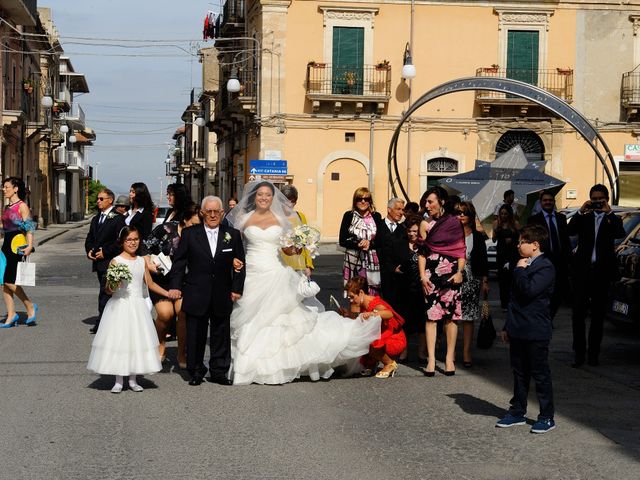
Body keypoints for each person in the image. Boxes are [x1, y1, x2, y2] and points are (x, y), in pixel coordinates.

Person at [226, 180, 382, 385]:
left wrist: (296, 248)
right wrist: (234, 260)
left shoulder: (281, 220)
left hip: (275, 271)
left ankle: (280, 366)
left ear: (273, 199)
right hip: (253, 272)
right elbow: (232, 244)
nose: (264, 198)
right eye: (260, 195)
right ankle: (252, 367)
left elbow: (286, 248)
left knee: (282, 319)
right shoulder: (244, 219)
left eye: (268, 195)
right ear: (254, 197)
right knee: (253, 319)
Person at [167, 196, 246, 386]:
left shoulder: (232, 234)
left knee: (221, 334)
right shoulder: (189, 234)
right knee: (195, 334)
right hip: (196, 291)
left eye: (216, 212)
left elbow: (241, 264)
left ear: (222, 213)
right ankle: (195, 371)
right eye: (208, 212)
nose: (212, 215)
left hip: (222, 292)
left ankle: (219, 372)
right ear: (202, 213)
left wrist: (236, 288)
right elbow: (179, 263)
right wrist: (176, 286)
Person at [87, 226, 166, 393]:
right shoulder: (116, 261)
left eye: (136, 239)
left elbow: (150, 284)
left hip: (137, 305)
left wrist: (169, 293)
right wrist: (113, 284)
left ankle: (133, 378)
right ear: (122, 242)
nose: (133, 243)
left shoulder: (141, 261)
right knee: (120, 340)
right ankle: (118, 379)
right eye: (129, 240)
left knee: (135, 340)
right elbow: (108, 289)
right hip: (120, 304)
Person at [496, 224, 556, 434]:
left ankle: (547, 416)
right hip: (518, 327)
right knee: (519, 372)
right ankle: (517, 411)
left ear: (535, 244)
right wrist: (507, 326)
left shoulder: (545, 267)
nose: (519, 246)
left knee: (540, 374)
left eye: (523, 242)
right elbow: (514, 299)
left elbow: (529, 291)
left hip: (536, 329)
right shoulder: (522, 264)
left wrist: (520, 271)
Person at [568, 184, 625, 367]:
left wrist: (609, 214)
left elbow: (620, 233)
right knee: (578, 314)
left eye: (601, 199)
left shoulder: (612, 219)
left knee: (598, 316)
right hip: (583, 272)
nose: (597, 202)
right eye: (594, 199)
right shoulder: (585, 218)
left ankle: (593, 354)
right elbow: (570, 231)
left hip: (601, 273)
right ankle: (579, 353)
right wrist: (580, 211)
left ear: (607, 199)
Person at [418, 186, 465, 376]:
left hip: (452, 274)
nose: (427, 206)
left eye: (431, 202)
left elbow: (461, 250)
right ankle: (431, 359)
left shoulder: (454, 223)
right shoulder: (425, 224)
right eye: (426, 202)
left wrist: (460, 271)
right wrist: (422, 276)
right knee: (431, 317)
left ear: (442, 201)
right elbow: (422, 252)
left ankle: (449, 358)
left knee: (451, 318)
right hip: (430, 275)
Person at [145, 183, 195, 365]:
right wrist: (149, 261)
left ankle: (182, 353)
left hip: (184, 275)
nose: (168, 197)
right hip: (162, 276)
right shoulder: (171, 214)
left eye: (170, 194)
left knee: (182, 313)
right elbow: (153, 241)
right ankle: (161, 343)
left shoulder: (190, 213)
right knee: (165, 314)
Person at [344, 277, 407, 378]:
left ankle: (389, 364)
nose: (351, 300)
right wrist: (347, 314)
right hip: (383, 335)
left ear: (361, 292)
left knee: (369, 341)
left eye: (352, 297)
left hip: (394, 339)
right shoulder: (361, 303)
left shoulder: (375, 304)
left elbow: (389, 314)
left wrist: (372, 313)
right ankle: (372, 363)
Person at [84, 188, 126, 333]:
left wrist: (106, 252)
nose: (98, 201)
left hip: (110, 261)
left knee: (105, 292)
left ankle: (102, 322)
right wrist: (89, 250)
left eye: (101, 199)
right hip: (98, 262)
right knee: (104, 291)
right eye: (98, 199)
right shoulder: (96, 218)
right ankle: (107, 320)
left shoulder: (117, 218)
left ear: (110, 200)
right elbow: (90, 238)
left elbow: (120, 241)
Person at [0, 177, 38, 328]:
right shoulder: (7, 207)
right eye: (3, 187)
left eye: (6, 187)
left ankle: (29, 305)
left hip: (17, 245)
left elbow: (30, 228)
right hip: (5, 246)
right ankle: (11, 314)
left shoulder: (22, 206)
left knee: (10, 280)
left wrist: (29, 246)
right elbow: (5, 227)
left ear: (15, 188)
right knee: (3, 283)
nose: (4, 189)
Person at [527, 190, 571, 319]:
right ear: (541, 203)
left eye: (550, 200)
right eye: (545, 200)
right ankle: (541, 317)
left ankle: (549, 318)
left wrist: (568, 258)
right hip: (543, 260)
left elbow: (566, 240)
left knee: (557, 293)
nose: (548, 202)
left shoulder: (561, 218)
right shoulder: (534, 220)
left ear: (554, 202)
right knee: (543, 291)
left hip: (560, 261)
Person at [455, 201, 489, 368]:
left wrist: (484, 280)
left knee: (468, 317)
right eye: (458, 212)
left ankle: (467, 352)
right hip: (453, 277)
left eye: (464, 212)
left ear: (470, 215)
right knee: (452, 316)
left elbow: (483, 260)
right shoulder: (451, 233)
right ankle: (451, 351)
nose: (461, 215)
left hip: (472, 278)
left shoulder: (477, 236)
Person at [339, 187, 382, 296]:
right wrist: (358, 243)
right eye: (359, 199)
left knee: (372, 292)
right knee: (355, 292)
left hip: (372, 259)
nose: (363, 201)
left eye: (366, 199)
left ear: (370, 201)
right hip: (353, 259)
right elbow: (342, 240)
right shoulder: (349, 216)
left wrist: (370, 243)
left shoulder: (376, 216)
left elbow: (381, 239)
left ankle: (370, 313)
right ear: (355, 201)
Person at [395, 214, 426, 361]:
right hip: (404, 287)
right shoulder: (401, 244)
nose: (412, 234)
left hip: (421, 288)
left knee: (422, 322)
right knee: (404, 321)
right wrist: (394, 269)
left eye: (415, 231)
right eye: (410, 231)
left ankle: (421, 352)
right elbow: (394, 261)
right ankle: (404, 351)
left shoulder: (424, 245)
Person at [376, 197, 407, 307]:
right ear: (389, 209)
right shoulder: (377, 226)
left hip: (398, 277)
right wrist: (390, 267)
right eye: (398, 209)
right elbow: (377, 250)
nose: (401, 213)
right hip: (381, 274)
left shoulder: (403, 230)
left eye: (402, 210)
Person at [279, 184, 314, 277]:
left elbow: (307, 242)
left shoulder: (300, 216)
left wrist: (308, 265)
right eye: (286, 200)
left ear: (296, 202)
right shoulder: (275, 217)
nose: (289, 204)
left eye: (292, 201)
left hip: (299, 265)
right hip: (280, 265)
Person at [492, 205, 521, 310]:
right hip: (501, 253)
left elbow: (520, 238)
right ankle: (504, 303)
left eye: (505, 214)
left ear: (509, 214)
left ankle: (513, 302)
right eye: (502, 213)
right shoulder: (496, 223)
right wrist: (495, 229)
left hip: (512, 253)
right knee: (502, 279)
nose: (503, 216)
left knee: (512, 278)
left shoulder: (515, 224)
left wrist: (512, 239)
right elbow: (494, 239)